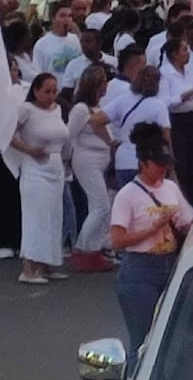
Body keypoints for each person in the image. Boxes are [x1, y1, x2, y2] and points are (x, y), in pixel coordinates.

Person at [110, 122, 193, 353]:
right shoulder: (127, 195)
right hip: (140, 271)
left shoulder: (170, 188)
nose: (163, 171)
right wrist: (153, 229)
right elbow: (117, 240)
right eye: (158, 165)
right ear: (143, 163)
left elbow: (188, 222)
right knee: (143, 341)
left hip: (170, 265)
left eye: (166, 166)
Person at [10, 73, 70, 284]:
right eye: (47, 91)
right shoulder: (27, 110)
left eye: (54, 91)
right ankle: (28, 268)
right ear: (36, 91)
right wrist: (28, 149)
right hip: (35, 168)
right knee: (36, 217)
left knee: (53, 216)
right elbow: (9, 134)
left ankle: (46, 264)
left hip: (55, 167)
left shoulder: (57, 109)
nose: (51, 96)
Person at [67, 66, 118, 273]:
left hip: (100, 160)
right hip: (86, 160)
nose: (107, 84)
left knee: (97, 206)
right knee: (101, 206)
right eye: (104, 81)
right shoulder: (81, 109)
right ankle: (83, 248)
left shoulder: (99, 107)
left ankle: (94, 249)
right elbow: (69, 135)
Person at [159, 37, 193, 208]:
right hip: (178, 121)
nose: (187, 53)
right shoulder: (165, 73)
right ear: (174, 54)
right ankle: (183, 205)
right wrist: (187, 94)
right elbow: (165, 101)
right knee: (182, 165)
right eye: (184, 50)